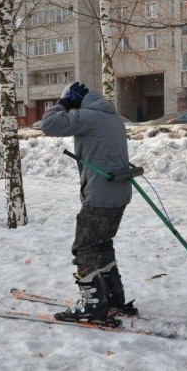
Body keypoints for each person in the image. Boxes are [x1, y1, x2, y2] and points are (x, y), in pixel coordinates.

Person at [40, 82, 135, 323]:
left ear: (75, 101)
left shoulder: (88, 116)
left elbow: (48, 125)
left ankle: (92, 304)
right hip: (118, 192)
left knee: (84, 248)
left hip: (101, 194)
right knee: (102, 244)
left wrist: (62, 104)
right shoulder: (112, 117)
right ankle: (114, 296)